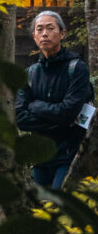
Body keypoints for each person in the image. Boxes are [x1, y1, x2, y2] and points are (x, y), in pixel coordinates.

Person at [15, 10, 93, 189]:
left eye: (50, 28)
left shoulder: (77, 69)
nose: (44, 33)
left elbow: (68, 113)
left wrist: (36, 106)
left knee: (61, 208)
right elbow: (21, 119)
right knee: (42, 212)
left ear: (62, 33)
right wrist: (59, 119)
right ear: (34, 36)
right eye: (39, 29)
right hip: (40, 158)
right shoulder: (30, 74)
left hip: (69, 155)